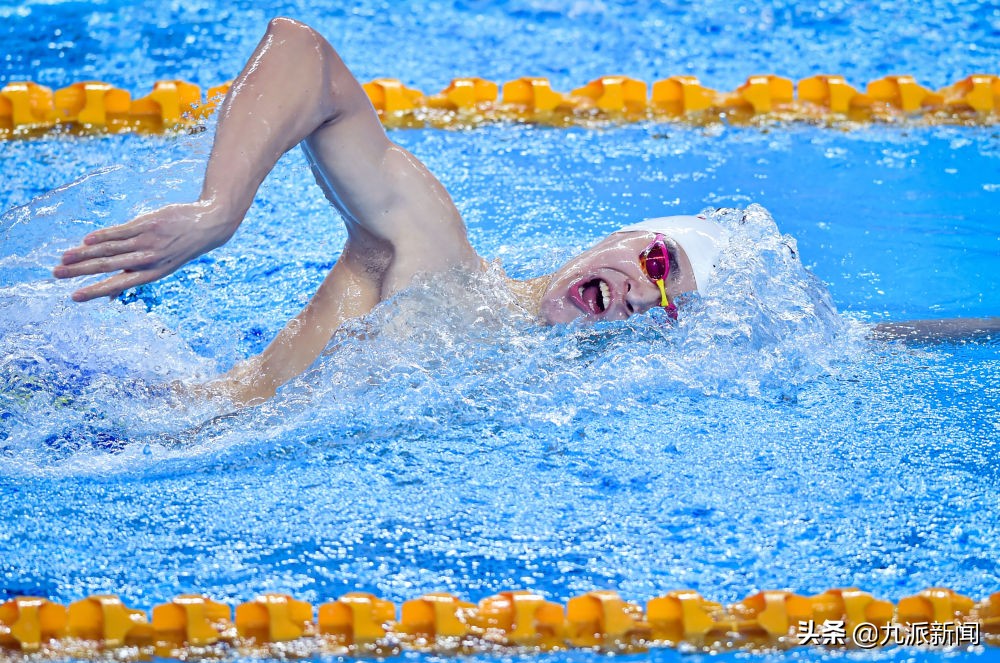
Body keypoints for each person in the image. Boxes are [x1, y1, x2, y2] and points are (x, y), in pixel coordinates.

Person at [52, 18, 998, 406]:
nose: (639, 297)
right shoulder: (432, 261)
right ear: (623, 238)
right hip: (107, 412)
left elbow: (850, 339)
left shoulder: (531, 381)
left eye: (666, 308)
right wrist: (222, 210)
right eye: (657, 264)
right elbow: (306, 55)